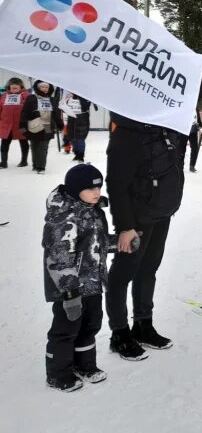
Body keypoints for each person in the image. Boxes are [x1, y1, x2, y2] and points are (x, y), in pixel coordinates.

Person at [105, 58, 202, 360]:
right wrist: (125, 226)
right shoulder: (127, 132)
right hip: (137, 217)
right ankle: (119, 333)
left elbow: (183, 98)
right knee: (123, 273)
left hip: (162, 211)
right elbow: (116, 184)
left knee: (148, 271)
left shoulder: (167, 125)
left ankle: (143, 324)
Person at [43, 164, 110, 392]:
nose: (97, 192)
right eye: (90, 189)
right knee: (66, 329)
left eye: (99, 187)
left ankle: (85, 365)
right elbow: (58, 256)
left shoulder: (94, 211)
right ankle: (58, 373)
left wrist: (118, 243)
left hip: (92, 282)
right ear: (74, 189)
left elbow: (94, 244)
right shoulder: (63, 217)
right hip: (70, 288)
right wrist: (69, 290)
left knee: (90, 325)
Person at [21, 80, 63, 174]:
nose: (44, 89)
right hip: (34, 125)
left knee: (43, 146)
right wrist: (22, 126)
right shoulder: (31, 98)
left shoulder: (52, 100)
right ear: (38, 88)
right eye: (42, 87)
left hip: (48, 125)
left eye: (46, 87)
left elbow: (56, 113)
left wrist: (59, 124)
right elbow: (25, 112)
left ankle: (41, 166)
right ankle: (35, 165)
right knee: (34, 145)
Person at [0, 77, 30, 168]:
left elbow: (30, 108)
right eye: (12, 84)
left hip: (21, 123)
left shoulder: (26, 95)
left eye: (17, 84)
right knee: (5, 142)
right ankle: (3, 162)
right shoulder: (4, 95)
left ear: (21, 86)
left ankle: (24, 161)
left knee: (23, 141)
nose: (14, 86)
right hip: (6, 124)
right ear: (9, 86)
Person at [62, 92, 93, 163]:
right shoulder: (69, 95)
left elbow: (85, 106)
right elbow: (63, 106)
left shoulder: (85, 95)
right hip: (71, 118)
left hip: (82, 119)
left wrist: (79, 97)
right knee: (72, 138)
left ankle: (81, 155)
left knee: (80, 138)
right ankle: (76, 154)